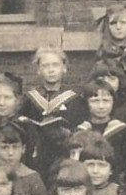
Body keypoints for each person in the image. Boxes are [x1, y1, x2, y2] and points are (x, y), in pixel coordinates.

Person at [22, 48, 82, 177]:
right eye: (45, 66)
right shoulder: (29, 99)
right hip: (36, 157)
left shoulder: (75, 100)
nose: (51, 70)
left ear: (64, 68)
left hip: (64, 156)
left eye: (55, 65)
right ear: (38, 70)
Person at [77, 80, 126, 176]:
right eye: (95, 101)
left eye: (106, 101)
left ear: (113, 102)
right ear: (86, 103)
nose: (101, 106)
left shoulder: (123, 131)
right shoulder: (80, 131)